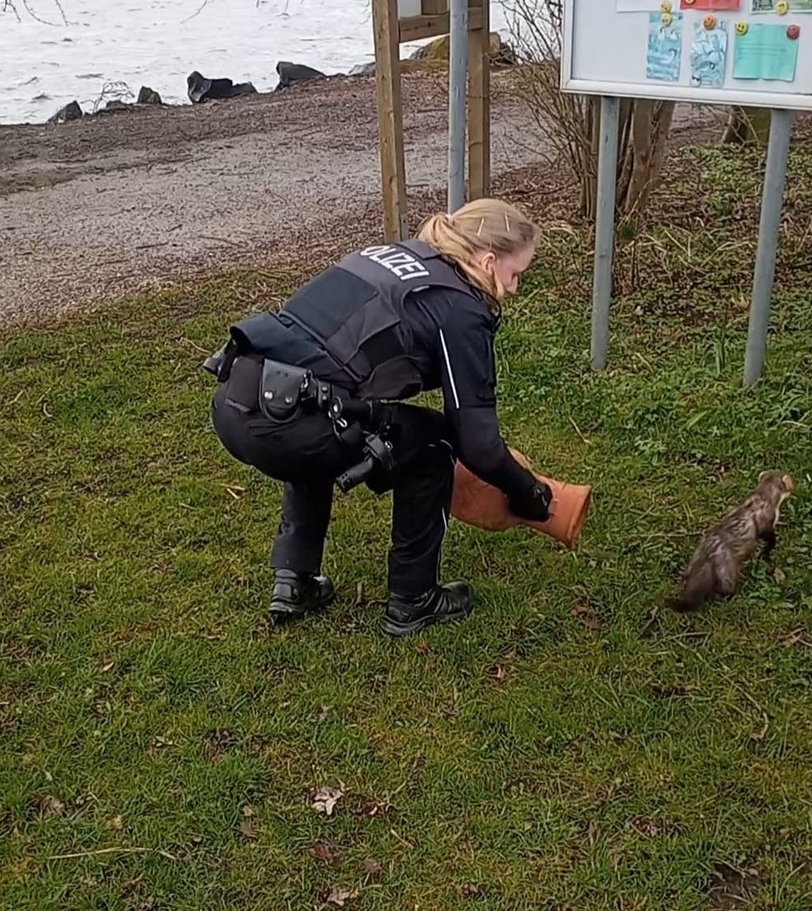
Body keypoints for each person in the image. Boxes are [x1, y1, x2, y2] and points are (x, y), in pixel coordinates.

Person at [205, 198, 553, 637]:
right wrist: (529, 493)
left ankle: (295, 581)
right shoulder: (459, 307)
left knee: (322, 412)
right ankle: (414, 600)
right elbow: (478, 443)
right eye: (515, 273)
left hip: (238, 399)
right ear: (487, 260)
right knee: (433, 445)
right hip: (289, 424)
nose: (515, 287)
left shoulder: (394, 255)